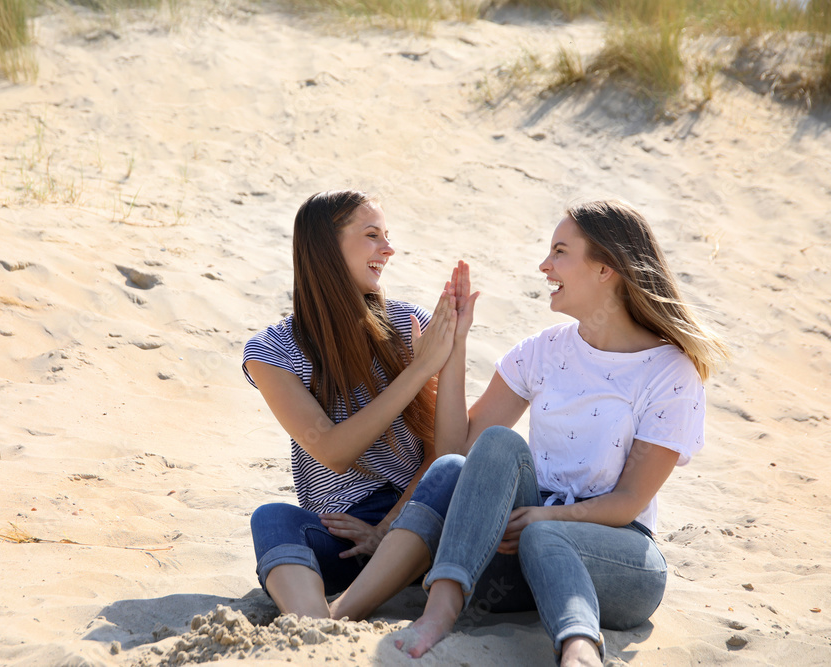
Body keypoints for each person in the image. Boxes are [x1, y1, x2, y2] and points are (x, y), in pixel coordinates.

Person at [330, 199, 729, 666]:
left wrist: (546, 520)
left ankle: (579, 648)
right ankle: (439, 609)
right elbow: (458, 448)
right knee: (487, 451)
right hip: (516, 560)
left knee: (545, 537)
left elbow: (627, 502)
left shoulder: (669, 371)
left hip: (620, 562)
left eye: (560, 251)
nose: (544, 265)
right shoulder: (542, 351)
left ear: (606, 269)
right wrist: (455, 347)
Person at [242, 189, 458, 619]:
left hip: (421, 511)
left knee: (453, 472)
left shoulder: (410, 324)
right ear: (326, 248)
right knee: (271, 518)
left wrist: (389, 528)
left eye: (387, 235)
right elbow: (334, 451)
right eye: (372, 235)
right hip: (345, 538)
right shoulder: (271, 351)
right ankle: (311, 630)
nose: (389, 249)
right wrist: (417, 371)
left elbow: (446, 449)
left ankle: (342, 613)